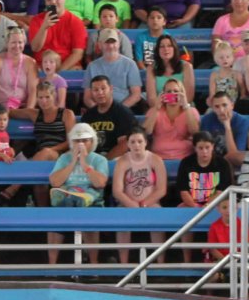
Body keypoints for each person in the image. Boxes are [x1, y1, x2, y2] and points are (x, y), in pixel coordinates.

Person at [47, 123, 109, 262]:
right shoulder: (64, 158)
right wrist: (73, 161)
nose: (80, 144)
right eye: (77, 140)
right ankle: (52, 267)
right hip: (67, 197)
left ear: (92, 141)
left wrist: (84, 164)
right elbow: (54, 182)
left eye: (84, 140)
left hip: (92, 200)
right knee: (56, 216)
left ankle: (94, 266)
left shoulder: (99, 160)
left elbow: (100, 183)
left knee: (89, 216)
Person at [112, 127, 168, 263]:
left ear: (145, 143)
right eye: (132, 142)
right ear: (128, 144)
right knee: (121, 219)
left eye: (139, 141)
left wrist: (143, 204)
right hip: (127, 203)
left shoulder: (155, 160)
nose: (136, 145)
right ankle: (124, 264)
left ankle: (161, 263)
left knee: (157, 216)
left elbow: (161, 189)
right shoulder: (123, 161)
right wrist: (132, 204)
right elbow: (117, 190)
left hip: (150, 202)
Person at [28, 0, 88, 71]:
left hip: (66, 65)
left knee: (76, 69)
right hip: (42, 64)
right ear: (45, 3)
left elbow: (78, 53)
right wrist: (44, 27)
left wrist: (60, 72)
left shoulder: (76, 22)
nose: (53, 2)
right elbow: (35, 48)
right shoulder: (36, 20)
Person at [0, 25, 39, 116]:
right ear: (7, 43)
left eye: (20, 42)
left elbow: (33, 90)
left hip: (22, 108)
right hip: (1, 109)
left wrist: (29, 111)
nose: (17, 46)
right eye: (13, 42)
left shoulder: (30, 62)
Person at [83, 28, 142, 109]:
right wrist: (98, 110)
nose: (110, 46)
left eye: (113, 42)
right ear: (99, 45)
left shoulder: (130, 64)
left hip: (123, 109)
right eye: (106, 43)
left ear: (119, 44)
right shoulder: (92, 66)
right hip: (99, 109)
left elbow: (136, 95)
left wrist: (118, 110)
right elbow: (87, 97)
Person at [81, 74, 134, 158]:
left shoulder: (123, 113)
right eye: (96, 90)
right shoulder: (88, 115)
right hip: (93, 159)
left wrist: (105, 161)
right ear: (91, 92)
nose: (100, 93)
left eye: (103, 88)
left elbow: (124, 145)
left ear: (111, 89)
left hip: (116, 159)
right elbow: (83, 143)